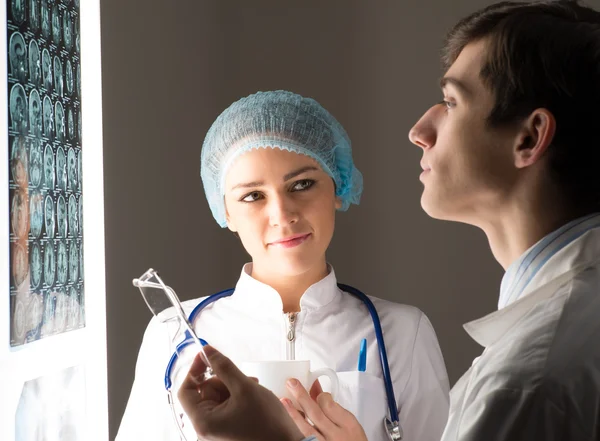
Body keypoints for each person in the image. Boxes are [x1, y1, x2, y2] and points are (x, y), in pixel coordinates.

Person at [176, 1, 600, 440]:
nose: (419, 130)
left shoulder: (527, 382)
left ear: (529, 137)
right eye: (251, 195)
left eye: (451, 102)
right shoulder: (558, 342)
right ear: (223, 207)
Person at [116, 90, 450, 441]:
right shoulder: (173, 335)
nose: (282, 215)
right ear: (225, 211)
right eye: (252, 196)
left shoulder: (401, 333)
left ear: (337, 187)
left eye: (302, 184)